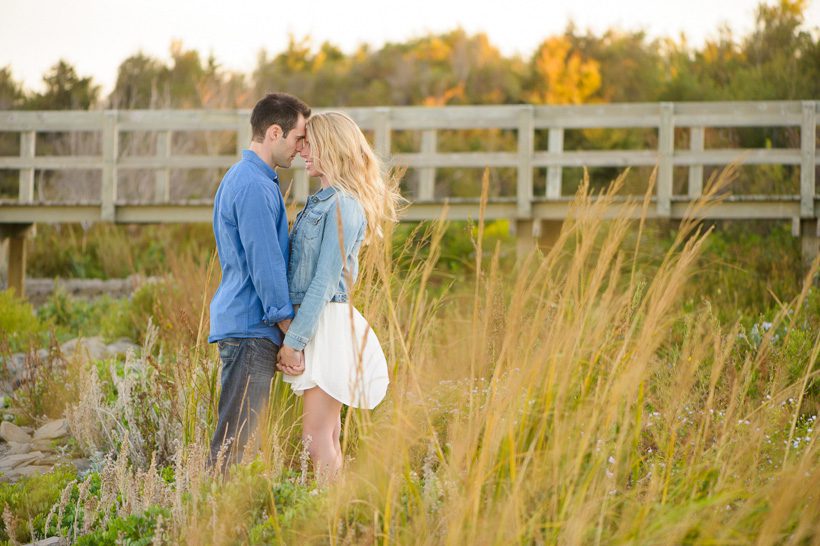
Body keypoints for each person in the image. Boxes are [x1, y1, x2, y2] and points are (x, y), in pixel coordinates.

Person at [276, 111, 401, 480]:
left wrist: (295, 341)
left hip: (326, 324)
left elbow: (326, 280)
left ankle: (329, 517)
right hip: (317, 322)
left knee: (316, 440)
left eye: (309, 143)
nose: (302, 152)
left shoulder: (344, 204)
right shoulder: (322, 201)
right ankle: (335, 513)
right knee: (326, 434)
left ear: (331, 146)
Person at [208, 92, 310, 468]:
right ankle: (211, 522)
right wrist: (290, 332)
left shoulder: (250, 177)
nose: (302, 148)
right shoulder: (252, 185)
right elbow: (264, 264)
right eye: (298, 138)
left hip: (249, 326)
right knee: (234, 445)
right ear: (273, 133)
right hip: (252, 328)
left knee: (237, 441)